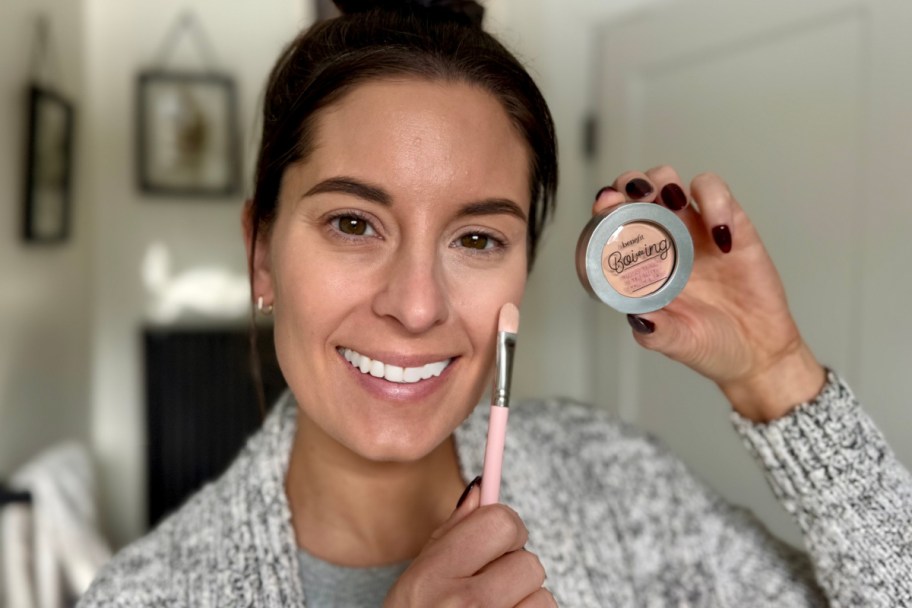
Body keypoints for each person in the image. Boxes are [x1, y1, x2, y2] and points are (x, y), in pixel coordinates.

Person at [79, 1, 912, 606]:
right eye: (353, 222)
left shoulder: (616, 484)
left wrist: (775, 371)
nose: (415, 306)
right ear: (262, 252)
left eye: (477, 239)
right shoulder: (145, 595)